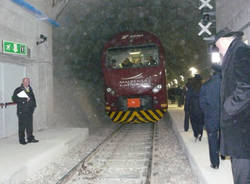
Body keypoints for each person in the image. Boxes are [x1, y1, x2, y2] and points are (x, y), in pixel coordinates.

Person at [214, 27, 250, 184]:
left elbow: (247, 85)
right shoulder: (238, 51)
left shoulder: (241, 52)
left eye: (217, 47)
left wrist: (229, 107)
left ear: (221, 41)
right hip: (241, 127)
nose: (219, 51)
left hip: (242, 128)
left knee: (243, 174)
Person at [200, 65, 222, 169]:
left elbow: (202, 104)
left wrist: (208, 112)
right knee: (224, 136)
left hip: (211, 117)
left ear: (212, 72)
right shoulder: (227, 84)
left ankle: (215, 163)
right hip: (225, 116)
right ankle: (222, 152)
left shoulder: (205, 85)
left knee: (212, 139)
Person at [12, 78, 39, 145]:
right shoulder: (18, 89)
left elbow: (32, 98)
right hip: (22, 111)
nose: (27, 83)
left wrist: (34, 105)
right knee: (22, 126)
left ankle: (30, 138)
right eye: (25, 81)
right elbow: (14, 99)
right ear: (22, 82)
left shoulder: (30, 89)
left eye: (28, 81)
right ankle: (22, 140)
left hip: (29, 111)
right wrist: (24, 100)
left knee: (29, 126)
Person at [188, 74, 204, 142]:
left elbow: (188, 98)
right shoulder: (203, 87)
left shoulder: (191, 87)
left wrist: (187, 107)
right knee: (200, 122)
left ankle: (196, 133)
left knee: (193, 122)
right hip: (201, 108)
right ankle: (200, 133)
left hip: (193, 108)